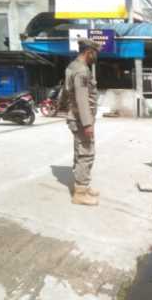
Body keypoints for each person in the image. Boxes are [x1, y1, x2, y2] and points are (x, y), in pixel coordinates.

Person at [66, 38, 101, 206]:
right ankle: (80, 192)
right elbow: (82, 98)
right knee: (86, 154)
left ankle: (83, 187)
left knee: (80, 151)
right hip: (81, 119)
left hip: (77, 117)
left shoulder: (73, 66)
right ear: (89, 52)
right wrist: (88, 124)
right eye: (95, 53)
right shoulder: (81, 71)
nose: (96, 56)